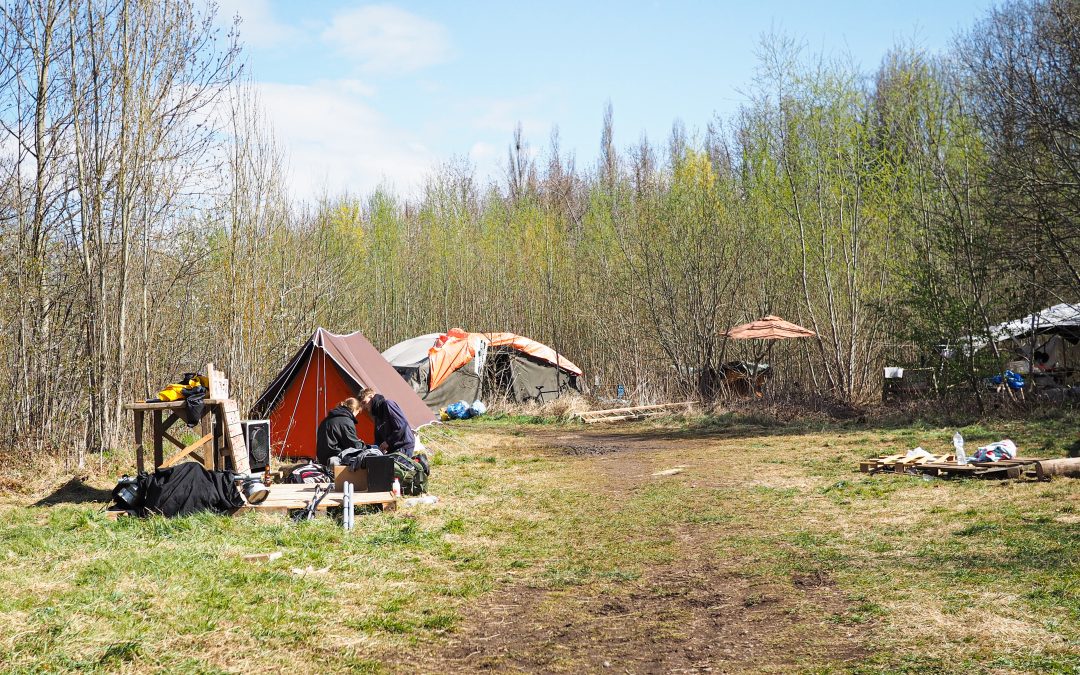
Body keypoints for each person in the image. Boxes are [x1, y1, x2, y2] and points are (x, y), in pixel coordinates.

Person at [357, 387, 417, 457]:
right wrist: (375, 448)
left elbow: (401, 426)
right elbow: (378, 438)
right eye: (362, 405)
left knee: (397, 467)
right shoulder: (377, 416)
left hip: (403, 445)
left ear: (371, 396)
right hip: (393, 448)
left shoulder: (387, 404)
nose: (364, 406)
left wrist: (388, 442)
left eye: (364, 402)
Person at [316, 397, 363, 465]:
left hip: (322, 459)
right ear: (354, 409)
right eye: (357, 412)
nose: (356, 416)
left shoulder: (327, 419)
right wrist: (365, 446)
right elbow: (354, 445)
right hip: (335, 459)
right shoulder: (346, 421)